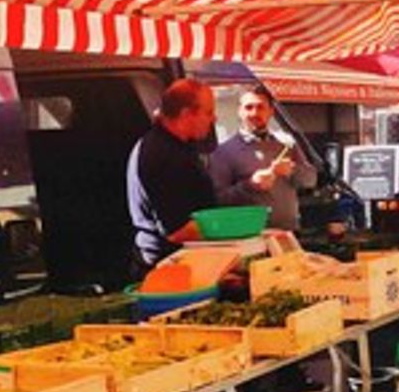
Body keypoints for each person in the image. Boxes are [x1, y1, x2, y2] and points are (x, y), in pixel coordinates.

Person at [126, 78, 218, 271]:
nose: (214, 119)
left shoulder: (177, 146)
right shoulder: (162, 154)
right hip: (171, 265)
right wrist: (234, 229)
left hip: (182, 258)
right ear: (185, 114)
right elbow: (177, 231)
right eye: (208, 112)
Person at [209, 86, 317, 231]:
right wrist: (250, 185)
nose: (255, 113)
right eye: (249, 107)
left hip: (288, 233)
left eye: (261, 107)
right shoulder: (224, 152)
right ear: (239, 112)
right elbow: (218, 201)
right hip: (249, 235)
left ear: (271, 112)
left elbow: (310, 180)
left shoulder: (287, 146)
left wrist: (292, 171)